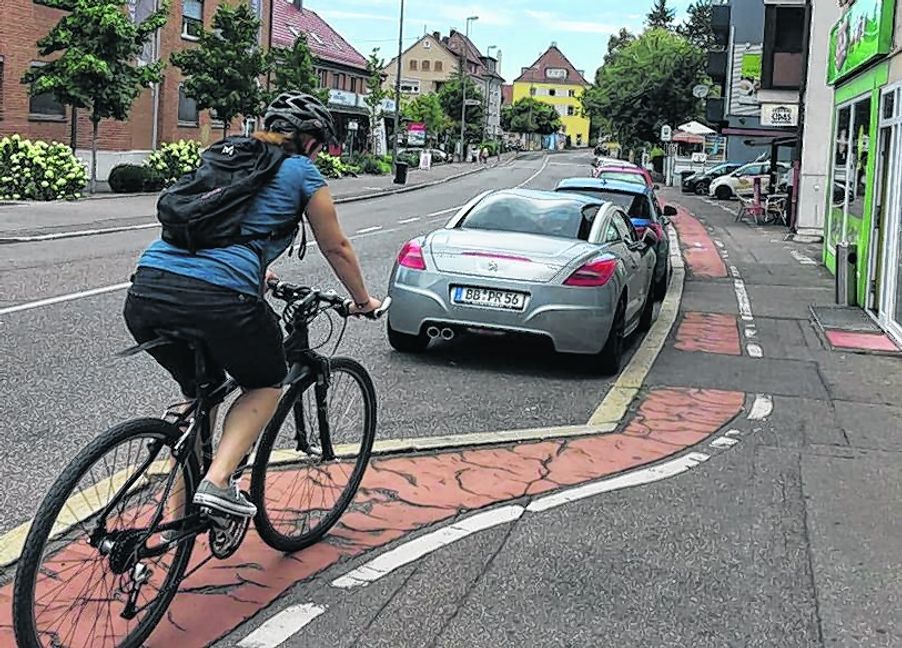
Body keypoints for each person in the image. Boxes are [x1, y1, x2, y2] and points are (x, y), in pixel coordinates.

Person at [123, 92, 381, 518]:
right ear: (311, 141)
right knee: (264, 383)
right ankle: (218, 482)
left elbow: (221, 223)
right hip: (220, 298)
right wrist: (362, 300)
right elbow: (336, 246)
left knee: (199, 395)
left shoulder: (228, 157)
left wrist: (260, 270)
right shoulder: (301, 172)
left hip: (148, 289)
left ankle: (174, 522)